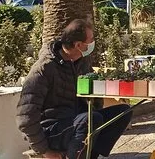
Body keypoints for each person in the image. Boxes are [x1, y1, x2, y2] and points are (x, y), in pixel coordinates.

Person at [17, 19, 132, 159]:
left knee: (123, 112)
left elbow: (93, 96)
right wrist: (45, 151)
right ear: (78, 45)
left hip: (78, 120)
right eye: (91, 40)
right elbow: (26, 117)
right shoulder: (44, 69)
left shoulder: (81, 62)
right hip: (52, 129)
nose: (93, 43)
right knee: (91, 119)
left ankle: (90, 156)